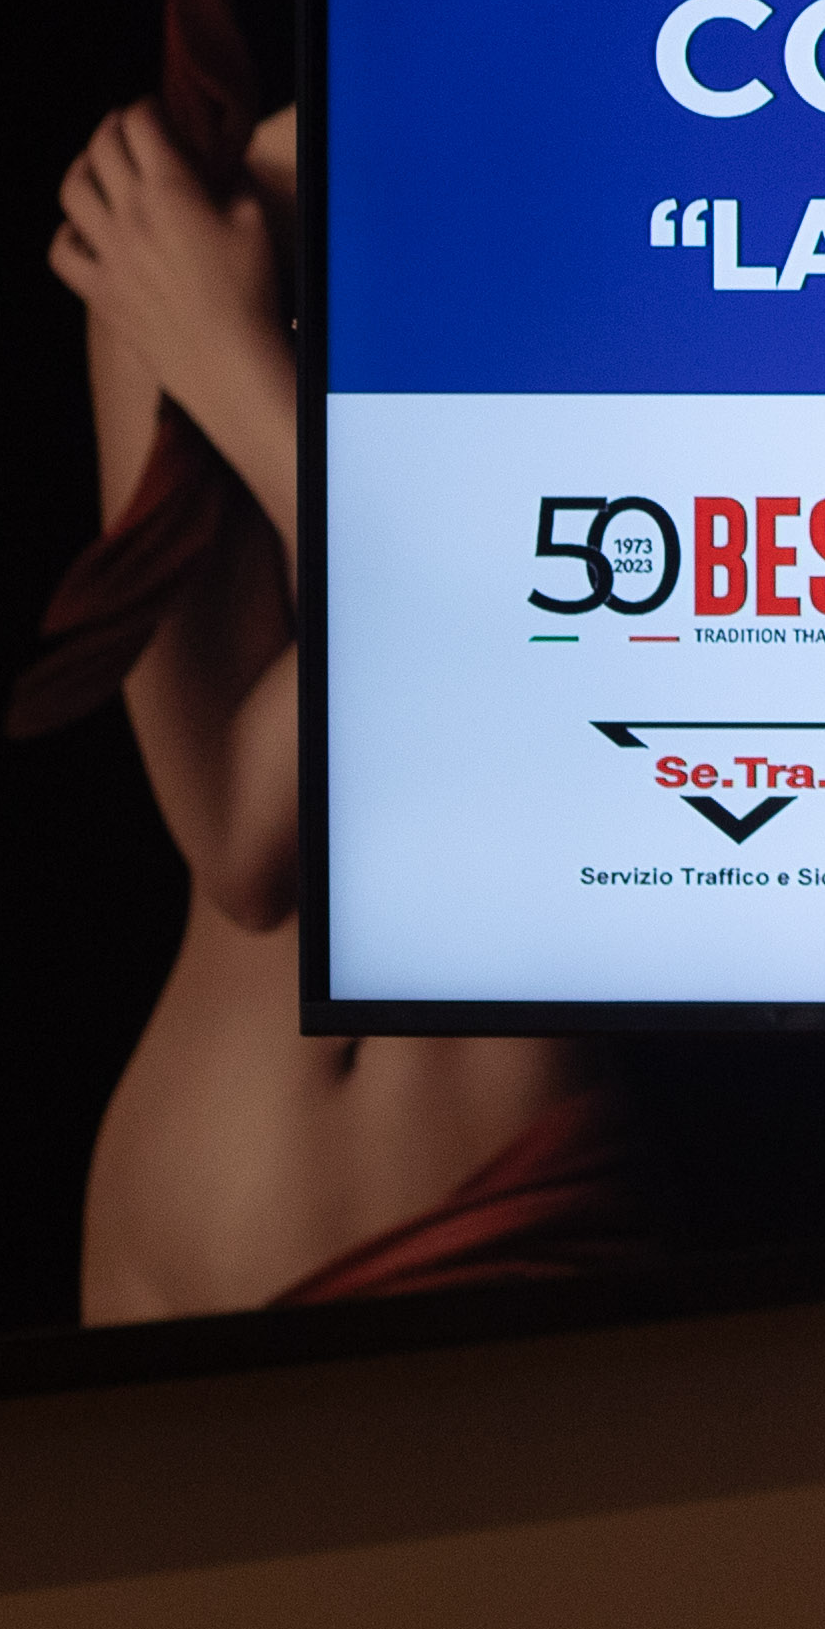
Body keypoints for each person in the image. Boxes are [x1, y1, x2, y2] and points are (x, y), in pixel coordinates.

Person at [47, 97, 637, 1315]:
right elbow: (242, 837)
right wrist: (212, 343)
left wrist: (228, 356)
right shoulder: (221, 198)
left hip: (495, 1215)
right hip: (180, 1229)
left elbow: (518, 670)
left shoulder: (682, 225)